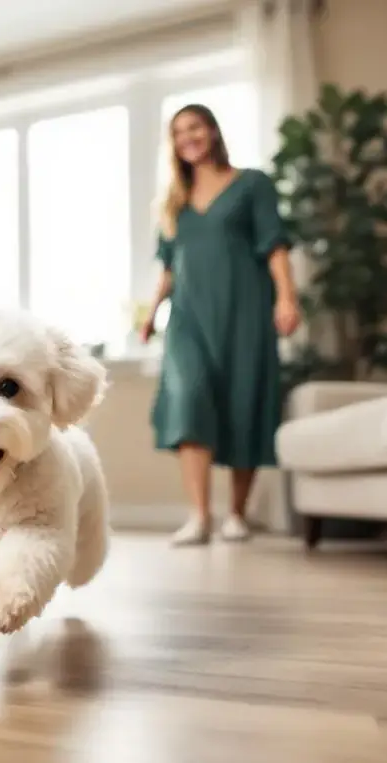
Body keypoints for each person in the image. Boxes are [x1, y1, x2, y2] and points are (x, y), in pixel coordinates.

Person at [140, 103, 301, 547]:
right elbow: (170, 266)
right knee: (189, 398)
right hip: (189, 317)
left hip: (245, 311)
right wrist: (151, 311)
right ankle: (199, 516)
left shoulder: (252, 184)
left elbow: (274, 244)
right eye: (177, 132)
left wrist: (287, 296)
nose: (187, 137)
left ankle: (237, 514)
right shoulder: (174, 202)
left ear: (212, 130)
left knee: (243, 401)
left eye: (193, 127)